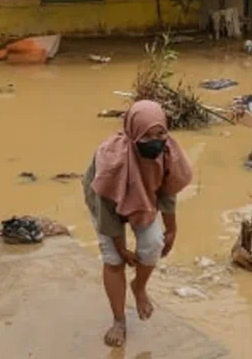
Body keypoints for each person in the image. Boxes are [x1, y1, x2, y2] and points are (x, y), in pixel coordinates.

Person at [82, 100, 193, 347]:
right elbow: (106, 209)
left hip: (144, 196)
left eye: (160, 133)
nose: (155, 141)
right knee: (113, 260)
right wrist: (121, 248)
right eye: (147, 136)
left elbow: (168, 188)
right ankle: (119, 321)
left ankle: (139, 287)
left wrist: (172, 228)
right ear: (133, 134)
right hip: (104, 201)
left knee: (153, 244)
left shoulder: (168, 152)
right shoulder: (110, 159)